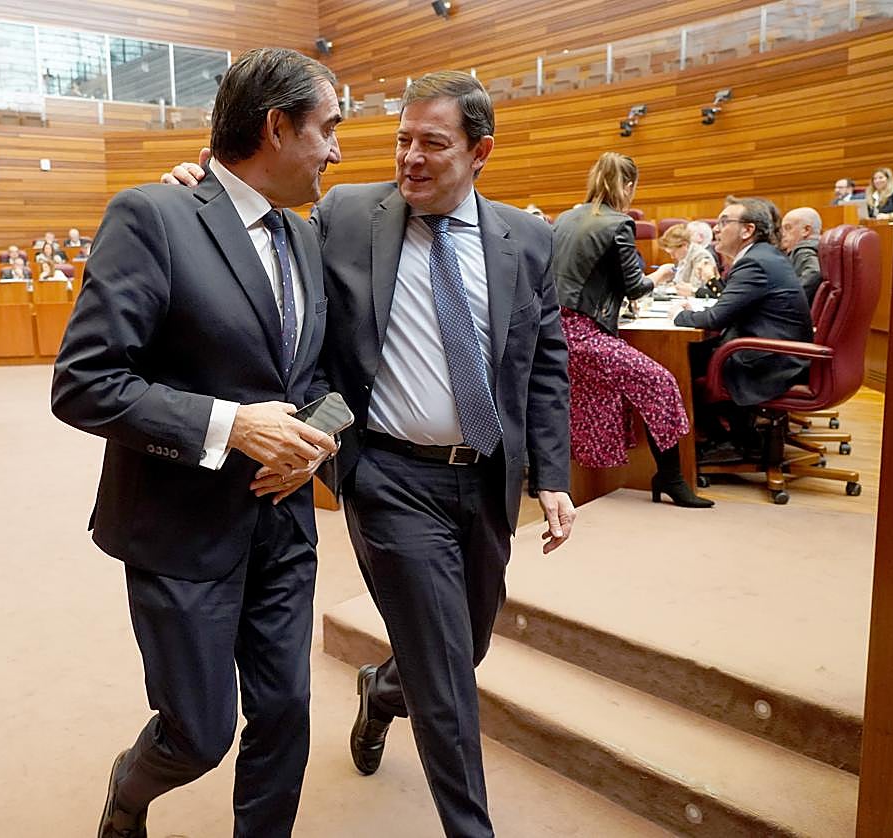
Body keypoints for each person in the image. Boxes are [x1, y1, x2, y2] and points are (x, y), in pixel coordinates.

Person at [165, 70, 577, 837]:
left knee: (465, 647)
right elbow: (246, 226)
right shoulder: (348, 213)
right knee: (449, 676)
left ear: (479, 151)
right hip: (388, 474)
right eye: (401, 140)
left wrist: (551, 476)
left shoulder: (526, 237)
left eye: (432, 144)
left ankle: (382, 691)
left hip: (484, 477)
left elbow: (543, 363)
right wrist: (197, 191)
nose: (409, 159)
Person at [51, 47, 341, 838]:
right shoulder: (153, 216)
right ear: (277, 128)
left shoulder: (308, 236)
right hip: (182, 530)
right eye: (327, 128)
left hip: (281, 524)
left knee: (286, 711)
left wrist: (315, 438)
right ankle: (130, 790)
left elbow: (318, 375)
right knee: (200, 733)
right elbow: (83, 382)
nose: (337, 149)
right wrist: (232, 425)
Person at [552, 152, 711, 509]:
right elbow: (636, 286)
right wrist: (661, 276)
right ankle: (669, 477)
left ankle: (585, 485)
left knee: (595, 401)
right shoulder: (617, 223)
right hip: (581, 333)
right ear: (628, 186)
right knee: (661, 383)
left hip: (552, 332)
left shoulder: (565, 218)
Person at [674, 198, 813, 455]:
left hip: (774, 361)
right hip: (780, 351)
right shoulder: (762, 256)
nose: (716, 228)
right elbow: (728, 306)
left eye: (724, 221)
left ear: (747, 230)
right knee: (697, 353)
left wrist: (678, 317)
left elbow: (716, 319)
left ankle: (726, 439)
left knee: (679, 361)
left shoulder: (755, 262)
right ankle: (731, 435)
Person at [658, 222, 720, 298]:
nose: (672, 257)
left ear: (684, 245)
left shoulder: (700, 256)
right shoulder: (684, 255)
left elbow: (695, 286)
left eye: (673, 253)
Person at [779, 207, 823, 304]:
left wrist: (786, 301)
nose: (782, 234)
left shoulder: (803, 249)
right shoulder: (821, 246)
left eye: (788, 228)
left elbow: (814, 272)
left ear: (806, 230)